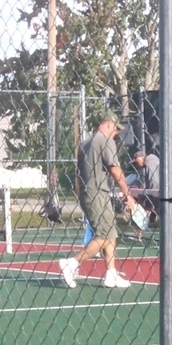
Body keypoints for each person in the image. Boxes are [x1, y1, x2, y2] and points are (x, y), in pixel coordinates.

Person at [57, 114, 135, 289]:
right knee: (103, 234)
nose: (116, 133)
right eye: (115, 129)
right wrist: (127, 194)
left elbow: (78, 174)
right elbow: (114, 168)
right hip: (97, 193)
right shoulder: (105, 141)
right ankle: (72, 263)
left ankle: (111, 274)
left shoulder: (85, 143)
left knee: (111, 233)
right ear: (108, 124)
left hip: (89, 193)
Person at [131, 149, 172, 242]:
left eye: (136, 161)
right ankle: (139, 233)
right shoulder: (150, 162)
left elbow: (153, 182)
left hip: (159, 192)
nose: (136, 164)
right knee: (154, 213)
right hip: (160, 191)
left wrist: (150, 197)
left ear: (141, 157)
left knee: (158, 212)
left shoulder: (150, 163)